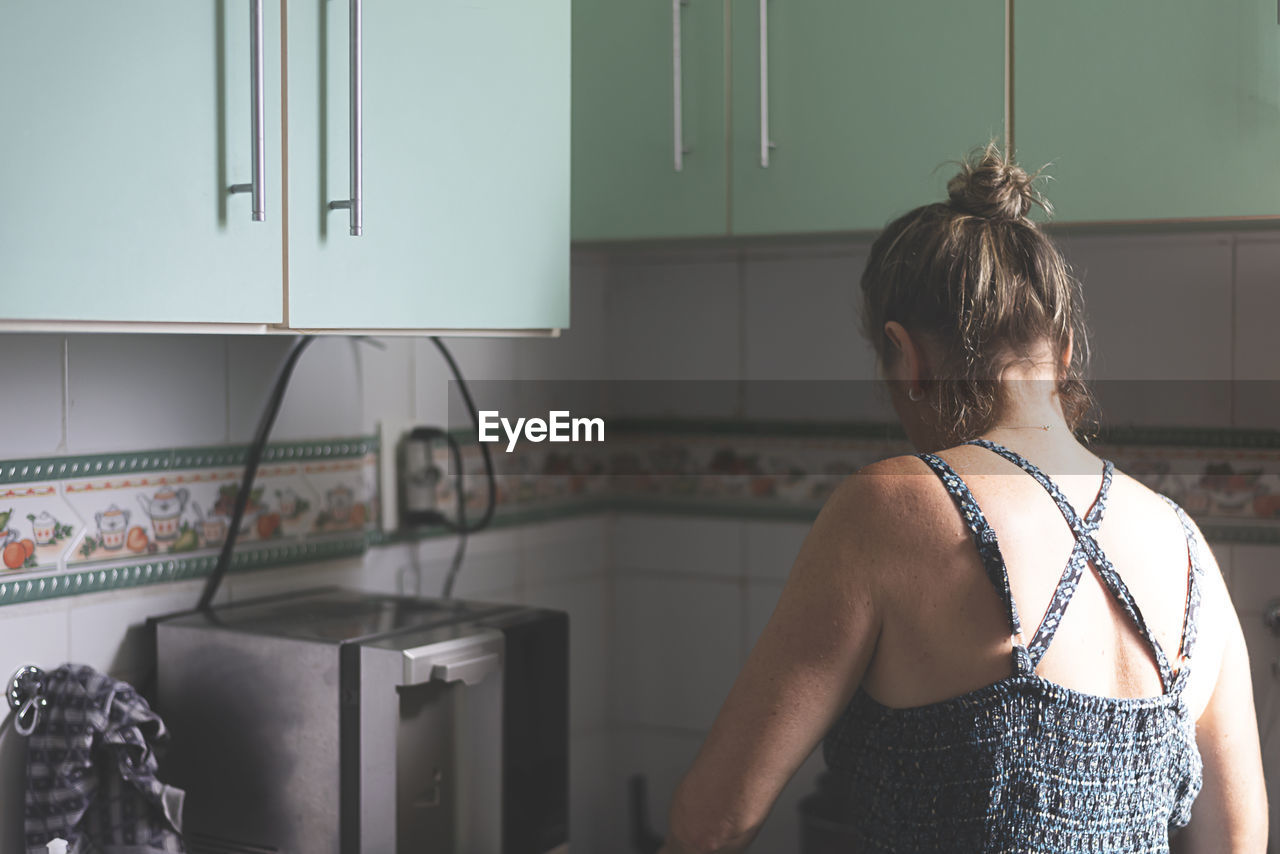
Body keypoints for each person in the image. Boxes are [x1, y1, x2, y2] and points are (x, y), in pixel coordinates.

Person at [658, 143, 1268, 853]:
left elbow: (713, 821)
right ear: (1064, 352)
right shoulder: (1185, 545)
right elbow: (1239, 842)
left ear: (907, 358)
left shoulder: (890, 506)